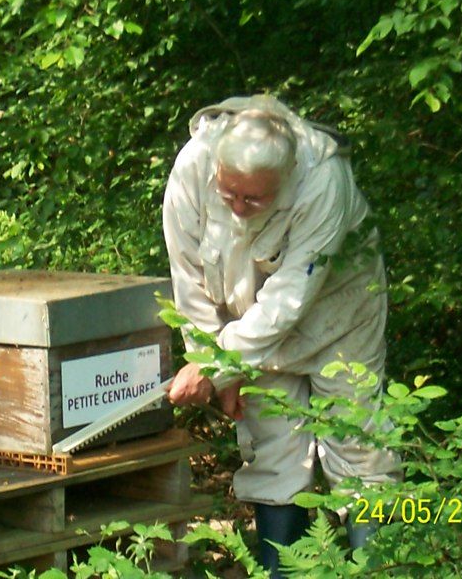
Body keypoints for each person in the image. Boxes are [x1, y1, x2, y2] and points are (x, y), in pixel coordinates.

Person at [162, 95, 400, 577]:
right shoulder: (192, 167)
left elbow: (291, 295)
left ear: (286, 175)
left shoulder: (323, 179)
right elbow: (188, 278)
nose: (238, 207)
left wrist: (218, 364)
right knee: (272, 446)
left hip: (340, 315)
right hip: (249, 326)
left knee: (359, 443)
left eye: (254, 199)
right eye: (229, 193)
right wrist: (213, 361)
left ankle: (376, 567)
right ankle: (280, 571)